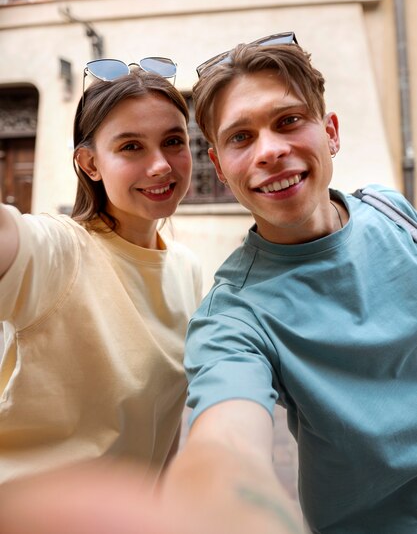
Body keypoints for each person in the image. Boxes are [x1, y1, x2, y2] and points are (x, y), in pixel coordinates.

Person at [160, 33, 417, 534]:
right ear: (219, 166)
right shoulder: (233, 314)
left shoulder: (391, 209)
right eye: (240, 137)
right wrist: (224, 495)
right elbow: (227, 439)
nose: (271, 151)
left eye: (289, 121)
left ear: (332, 133)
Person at [0, 62, 202, 484]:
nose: (161, 165)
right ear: (90, 163)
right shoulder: (57, 251)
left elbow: (164, 424)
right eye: (131, 147)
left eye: (173, 141)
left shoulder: (186, 267)